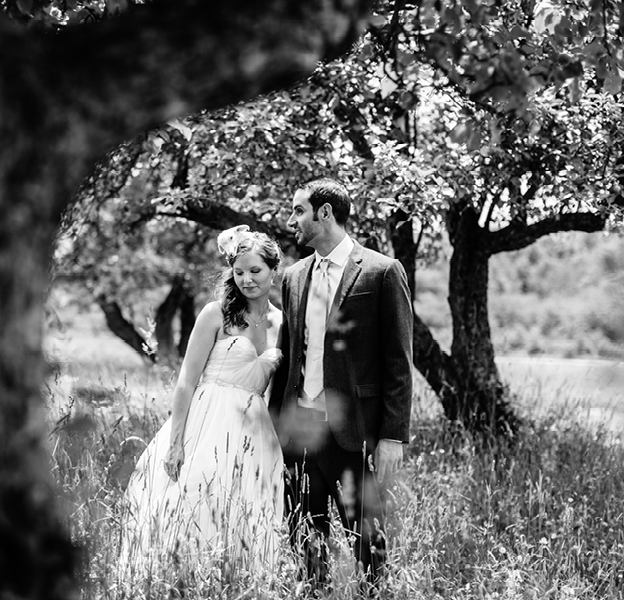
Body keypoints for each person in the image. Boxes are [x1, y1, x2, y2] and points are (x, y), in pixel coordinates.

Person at [118, 225, 286, 581]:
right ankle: (177, 578)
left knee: (247, 507)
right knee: (192, 497)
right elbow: (186, 381)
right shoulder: (216, 314)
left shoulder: (282, 322)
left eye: (255, 271)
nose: (247, 280)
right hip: (207, 418)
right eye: (239, 272)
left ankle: (239, 580)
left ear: (274, 269)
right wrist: (176, 441)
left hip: (254, 430)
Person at [269, 177, 413, 589]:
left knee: (369, 547)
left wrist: (392, 437)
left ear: (325, 213)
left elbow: (398, 362)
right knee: (306, 548)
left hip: (355, 435)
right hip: (300, 434)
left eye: (299, 210)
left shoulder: (382, 272)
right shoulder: (294, 276)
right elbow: (290, 354)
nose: (292, 219)